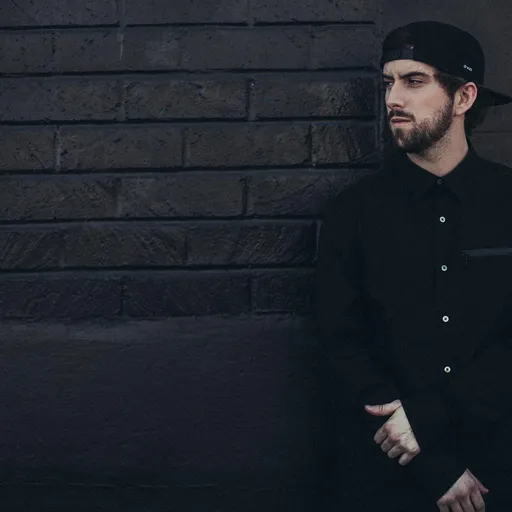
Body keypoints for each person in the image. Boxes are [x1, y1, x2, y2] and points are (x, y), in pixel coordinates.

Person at [315, 20, 512, 512]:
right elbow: (343, 348)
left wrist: (429, 417)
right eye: (388, 82)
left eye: (414, 81)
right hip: (388, 475)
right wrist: (434, 464)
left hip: (498, 461)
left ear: (464, 97)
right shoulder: (352, 213)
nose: (393, 99)